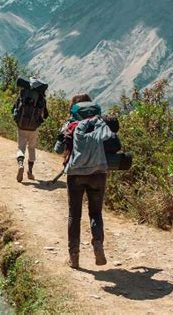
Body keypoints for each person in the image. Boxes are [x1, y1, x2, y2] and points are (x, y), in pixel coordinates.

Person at [62, 94, 114, 270]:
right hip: (99, 174)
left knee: (74, 215)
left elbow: (58, 148)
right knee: (96, 213)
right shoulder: (101, 124)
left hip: (76, 175)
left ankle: (74, 256)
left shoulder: (71, 125)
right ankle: (98, 243)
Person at [12, 77, 49, 182]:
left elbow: (14, 108)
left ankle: (20, 164)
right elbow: (46, 115)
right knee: (31, 148)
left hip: (21, 125)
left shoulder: (22, 93)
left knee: (21, 147)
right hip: (34, 127)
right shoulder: (41, 97)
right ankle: (30, 172)